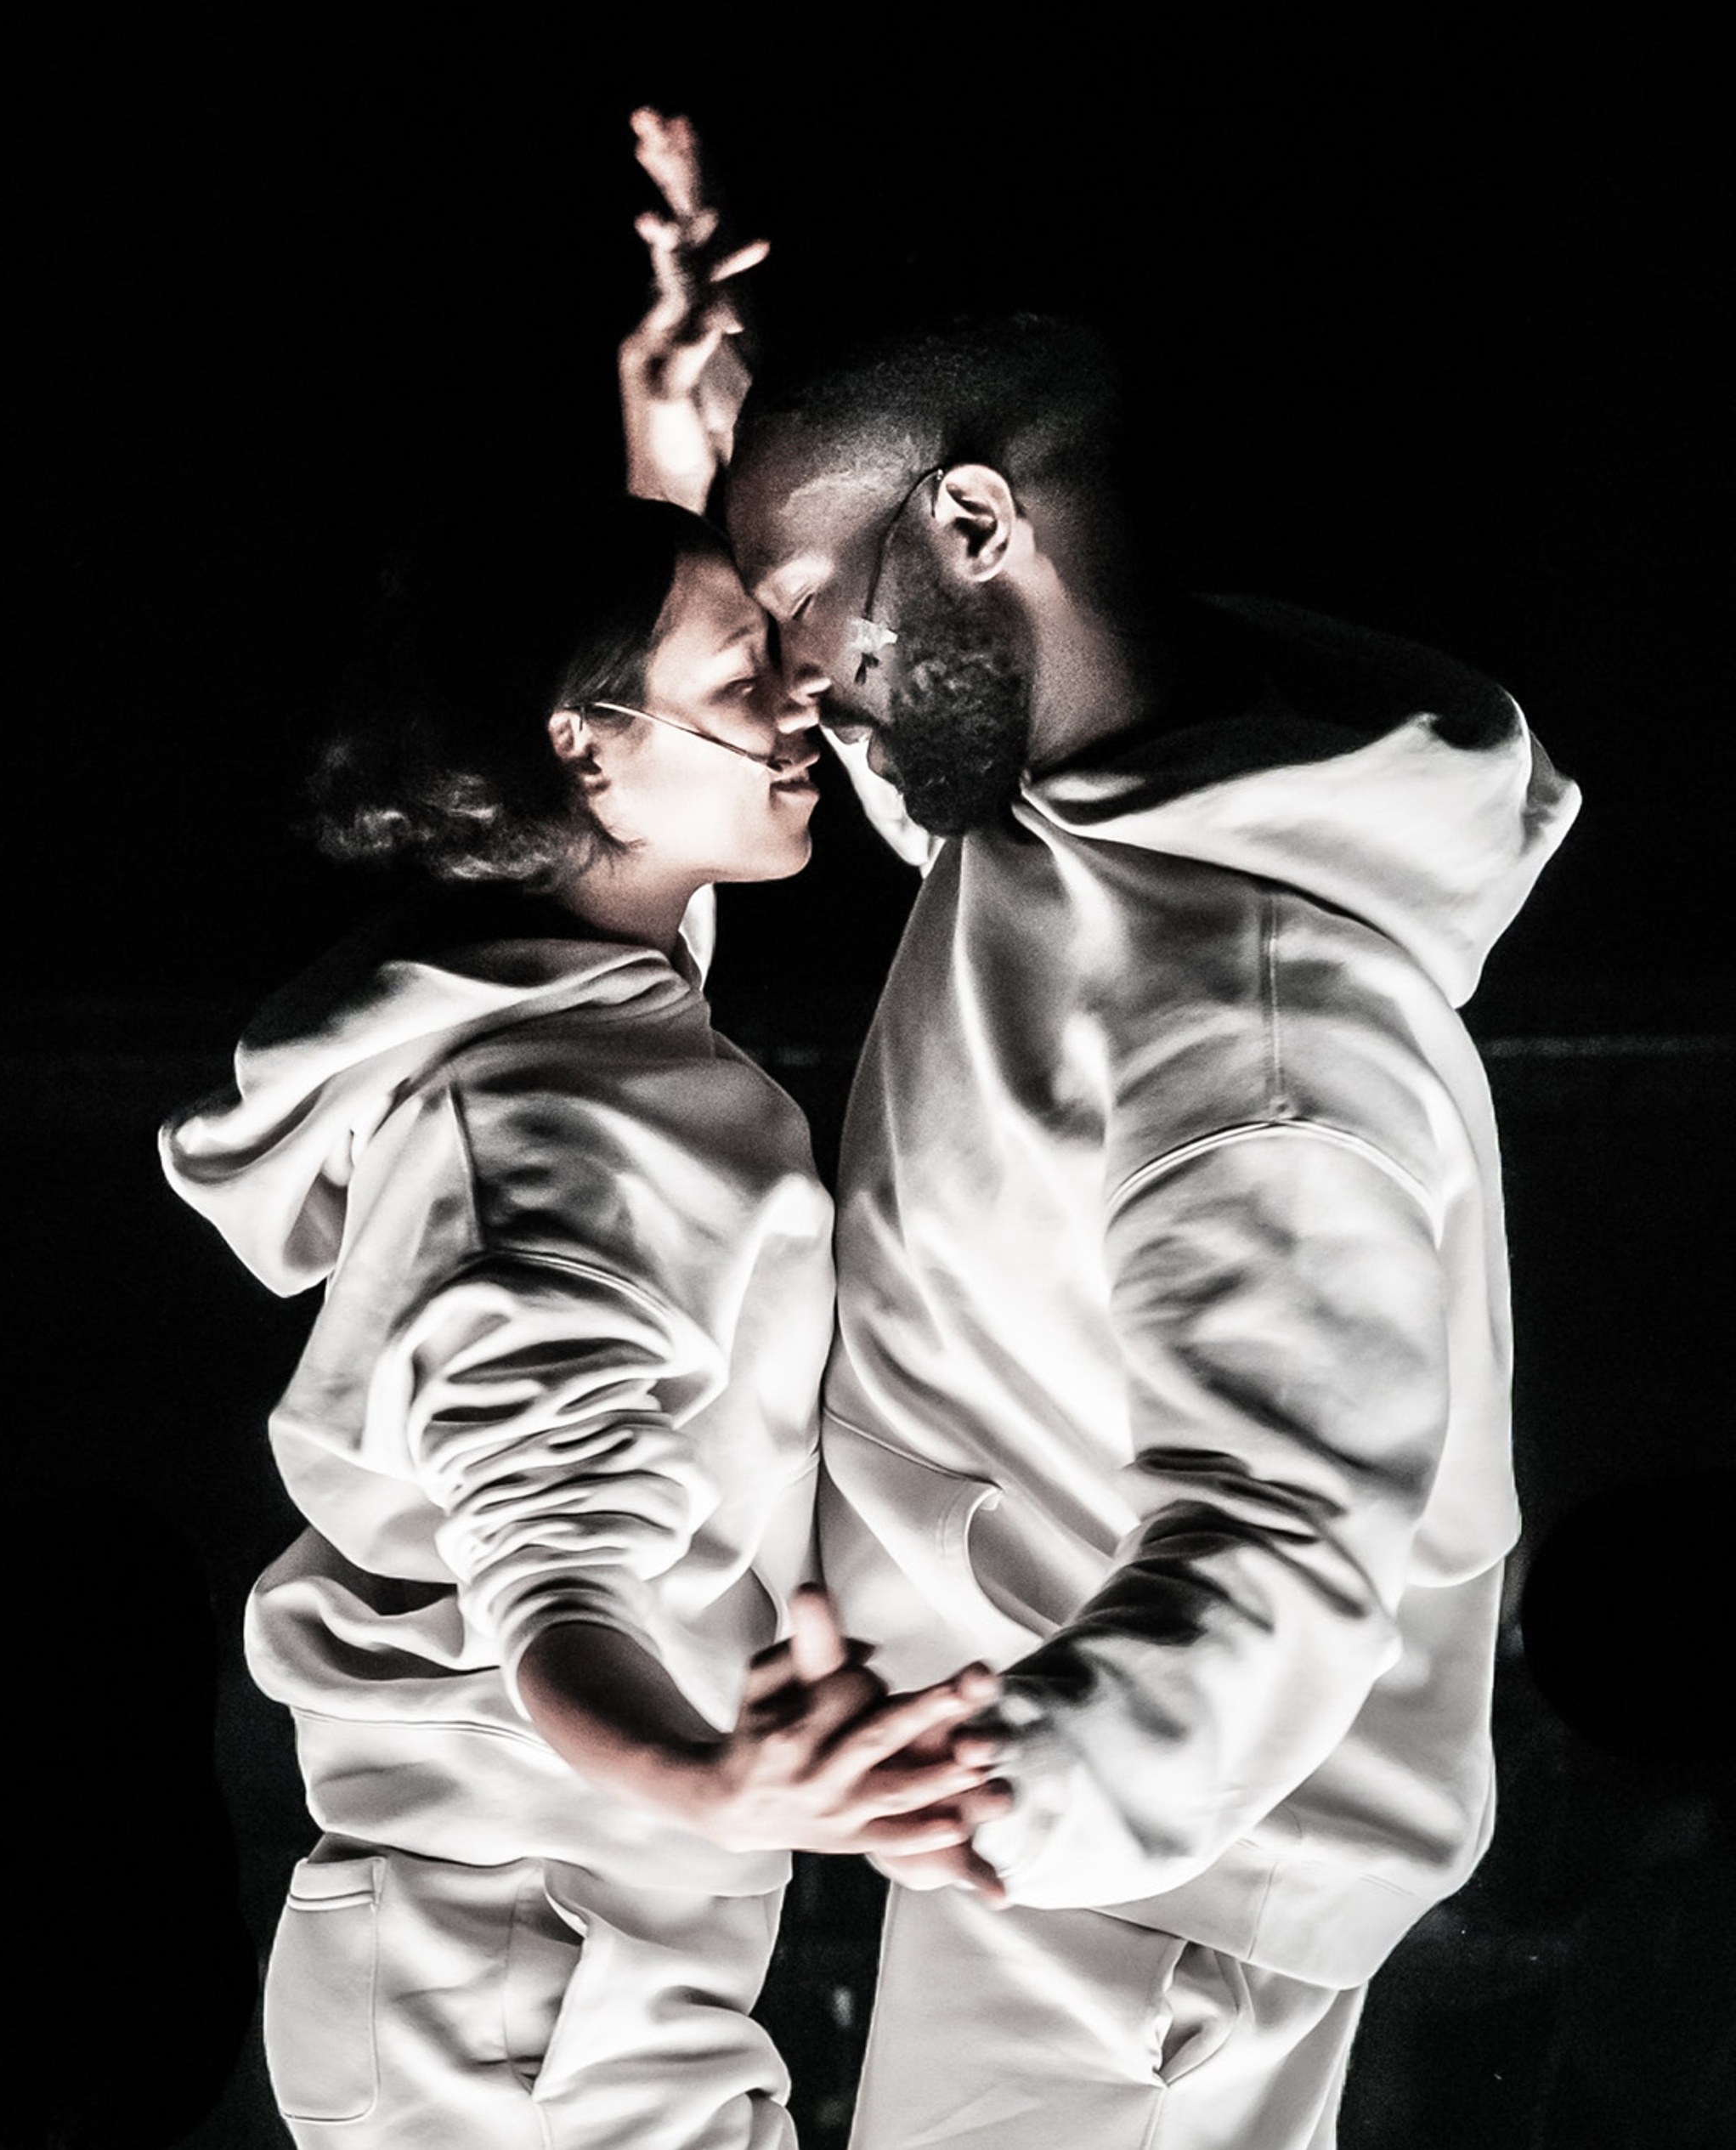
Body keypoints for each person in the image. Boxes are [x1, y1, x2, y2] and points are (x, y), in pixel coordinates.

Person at [160, 150, 1003, 2149]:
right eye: (745, 673)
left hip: (539, 1941)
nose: (800, 694)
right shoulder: (547, 1119)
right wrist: (717, 1786)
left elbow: (632, 786)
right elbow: (551, 1569)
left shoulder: (566, 987)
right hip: (520, 1969)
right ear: (581, 743)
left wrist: (665, 457)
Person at [703, 307, 1580, 2147]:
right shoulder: (1066, 815)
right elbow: (904, 733)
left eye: (791, 609)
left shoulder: (1251, 1029)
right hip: (1078, 1892)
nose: (786, 681)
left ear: (969, 525)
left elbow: (1281, 1539)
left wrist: (956, 1795)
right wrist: (694, 469)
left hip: (1142, 1929)